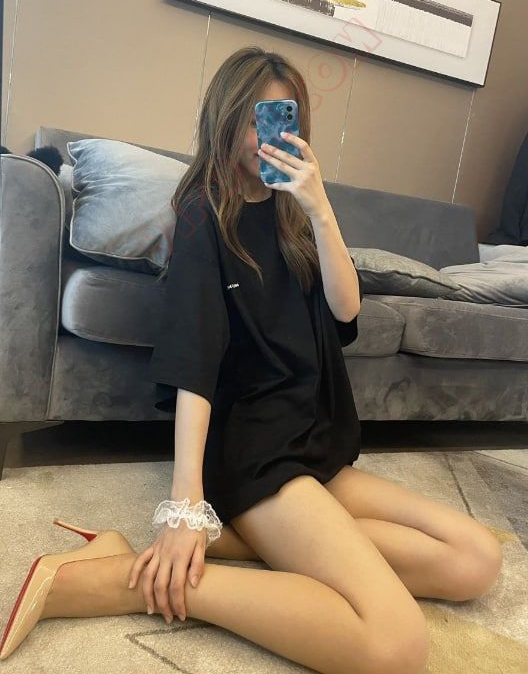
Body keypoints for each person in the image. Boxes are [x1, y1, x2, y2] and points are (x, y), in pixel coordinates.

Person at [0, 47, 503, 673]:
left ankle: (233, 547)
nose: (267, 135)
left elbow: (346, 310)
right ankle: (123, 581)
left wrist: (320, 208)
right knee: (396, 647)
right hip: (255, 453)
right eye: (254, 119)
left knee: (475, 560)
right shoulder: (202, 214)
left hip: (315, 442)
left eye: (282, 118)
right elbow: (195, 360)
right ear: (226, 119)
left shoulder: (296, 215)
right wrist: (185, 507)